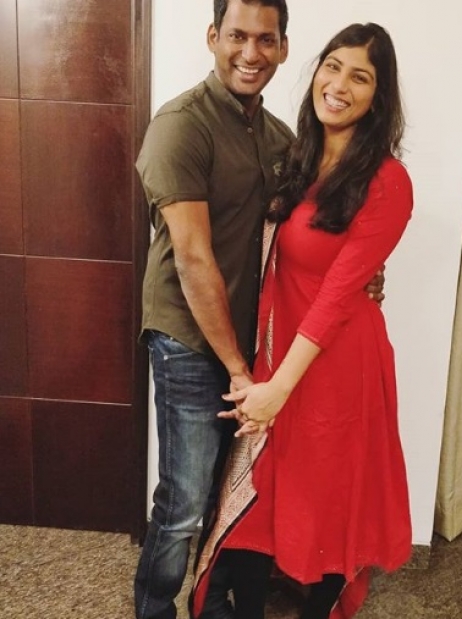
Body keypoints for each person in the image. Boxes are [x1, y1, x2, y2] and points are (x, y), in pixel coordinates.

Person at [134, 2, 384, 618]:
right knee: (186, 499)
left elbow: (315, 228)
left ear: (283, 48)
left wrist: (365, 271)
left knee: (233, 494)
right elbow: (193, 260)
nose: (251, 53)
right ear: (213, 37)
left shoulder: (279, 139)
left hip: (258, 346)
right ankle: (155, 607)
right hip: (193, 343)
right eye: (238, 37)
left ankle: (211, 601)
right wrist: (239, 371)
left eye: (266, 40)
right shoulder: (180, 126)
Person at [191, 21, 413, 619]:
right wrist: (266, 378)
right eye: (332, 66)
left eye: (360, 77)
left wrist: (278, 389)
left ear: (378, 98)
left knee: (328, 494)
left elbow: (338, 294)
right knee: (265, 488)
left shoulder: (387, 182)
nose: (339, 85)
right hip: (278, 349)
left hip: (336, 362)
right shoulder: (295, 157)